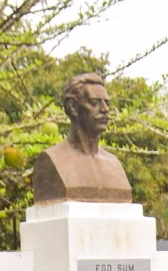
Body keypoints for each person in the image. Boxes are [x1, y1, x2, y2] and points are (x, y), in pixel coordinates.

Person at [32, 73, 132, 204]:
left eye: (106, 103)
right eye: (95, 102)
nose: (105, 109)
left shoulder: (114, 164)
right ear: (72, 107)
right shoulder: (51, 161)